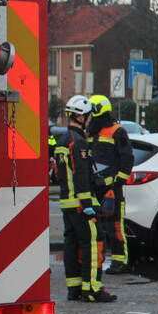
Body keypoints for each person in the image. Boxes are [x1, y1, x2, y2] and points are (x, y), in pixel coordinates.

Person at [53, 95, 116, 303]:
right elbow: (80, 175)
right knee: (93, 243)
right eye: (88, 116)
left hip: (67, 204)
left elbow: (61, 174)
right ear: (82, 117)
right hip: (81, 204)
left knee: (71, 246)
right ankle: (92, 289)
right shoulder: (78, 142)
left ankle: (74, 288)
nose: (89, 120)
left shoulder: (63, 139)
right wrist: (88, 204)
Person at [87, 94, 134, 275]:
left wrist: (117, 183)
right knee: (96, 227)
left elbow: (127, 158)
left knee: (114, 226)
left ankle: (120, 261)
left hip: (111, 189)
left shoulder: (117, 131)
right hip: (95, 187)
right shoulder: (91, 131)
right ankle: (98, 261)